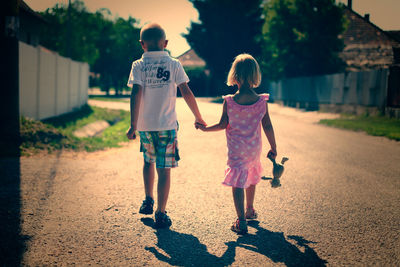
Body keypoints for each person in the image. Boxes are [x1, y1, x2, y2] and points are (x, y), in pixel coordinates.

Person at [126, 23, 206, 228]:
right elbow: (186, 92)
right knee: (164, 169)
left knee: (148, 161)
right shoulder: (174, 64)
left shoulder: (138, 65)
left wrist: (133, 125)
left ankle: (148, 198)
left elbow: (136, 94)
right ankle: (160, 213)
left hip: (145, 126)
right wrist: (198, 116)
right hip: (167, 126)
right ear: (166, 43)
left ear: (142, 44)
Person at [196, 54, 277, 234]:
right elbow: (268, 125)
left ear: (235, 75)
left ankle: (241, 220)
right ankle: (250, 209)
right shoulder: (261, 102)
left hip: (237, 151)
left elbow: (223, 124)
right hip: (254, 149)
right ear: (254, 75)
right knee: (251, 175)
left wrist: (205, 128)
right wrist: (274, 147)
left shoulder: (229, 102)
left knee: (238, 182)